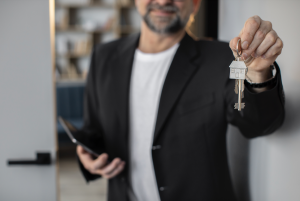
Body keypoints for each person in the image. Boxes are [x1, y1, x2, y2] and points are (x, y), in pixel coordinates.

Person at [76, 0, 285, 200]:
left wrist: (258, 74)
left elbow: (259, 124)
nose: (163, 0)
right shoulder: (103, 57)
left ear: (194, 3)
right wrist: (88, 157)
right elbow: (92, 130)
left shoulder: (221, 58)